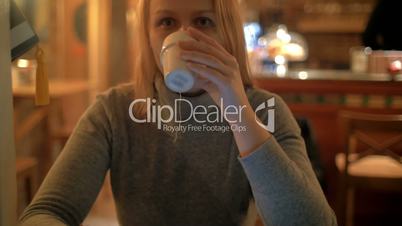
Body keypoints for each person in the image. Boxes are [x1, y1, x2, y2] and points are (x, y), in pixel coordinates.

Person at [19, 0, 337, 225]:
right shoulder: (114, 111)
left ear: (227, 33)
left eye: (203, 21)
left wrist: (236, 107)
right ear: (148, 36)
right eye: (167, 22)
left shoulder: (263, 110)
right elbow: (47, 211)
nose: (185, 37)